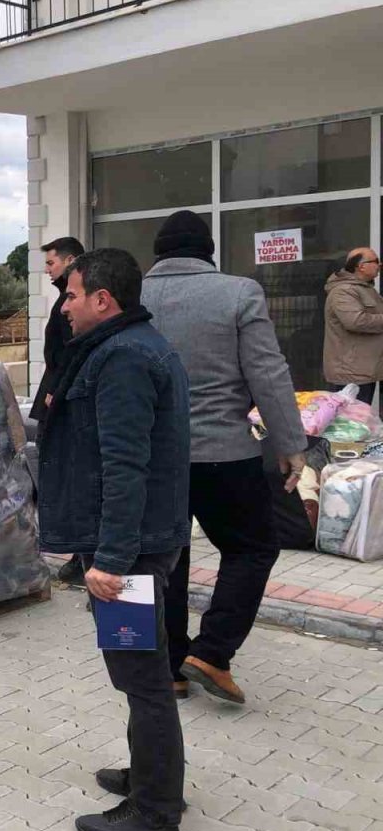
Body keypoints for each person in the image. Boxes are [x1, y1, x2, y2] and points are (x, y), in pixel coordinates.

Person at [38, 248, 190, 831]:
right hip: (145, 542)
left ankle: (156, 815)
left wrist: (111, 560)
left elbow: (124, 467)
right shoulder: (136, 344)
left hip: (131, 552)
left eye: (71, 295)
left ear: (103, 299)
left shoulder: (123, 357)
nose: (65, 305)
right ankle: (152, 777)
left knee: (142, 679)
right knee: (141, 676)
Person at [142, 211, 305, 705]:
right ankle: (211, 652)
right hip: (224, 455)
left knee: (165, 558)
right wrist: (290, 444)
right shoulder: (238, 292)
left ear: (159, 251)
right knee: (253, 548)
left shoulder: (132, 296)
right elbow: (267, 374)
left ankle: (169, 668)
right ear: (207, 250)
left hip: (151, 457)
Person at [31, 236, 86, 586]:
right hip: (57, 393)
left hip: (63, 398)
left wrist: (57, 391)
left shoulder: (75, 302)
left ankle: (81, 556)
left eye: (51, 263)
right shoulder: (64, 299)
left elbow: (71, 351)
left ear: (70, 260)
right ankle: (75, 552)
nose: (48, 270)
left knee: (74, 477)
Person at [323, 247, 383, 405]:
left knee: (362, 419)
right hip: (351, 372)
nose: (379, 265)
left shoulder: (365, 289)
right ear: (361, 266)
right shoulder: (343, 291)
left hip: (364, 369)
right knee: (351, 423)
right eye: (375, 261)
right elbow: (356, 321)